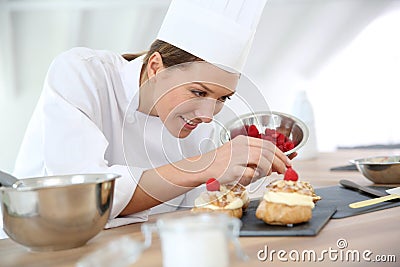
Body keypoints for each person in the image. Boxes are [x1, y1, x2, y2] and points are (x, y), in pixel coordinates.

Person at [13, 0, 292, 227]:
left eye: (223, 98)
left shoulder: (199, 124)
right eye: (198, 92)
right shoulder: (81, 73)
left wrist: (235, 175)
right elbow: (80, 200)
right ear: (156, 67)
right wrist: (205, 165)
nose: (209, 115)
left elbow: (190, 208)